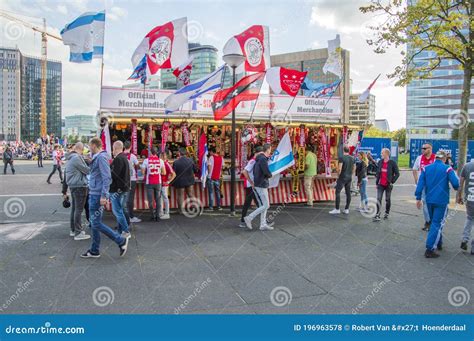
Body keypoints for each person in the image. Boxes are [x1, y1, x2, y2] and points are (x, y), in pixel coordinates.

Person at [80, 137, 129, 259]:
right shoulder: (100, 157)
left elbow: (107, 177)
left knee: (95, 223)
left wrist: (104, 195)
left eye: (90, 146)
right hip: (96, 193)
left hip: (97, 195)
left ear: (94, 146)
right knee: (95, 223)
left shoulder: (101, 157)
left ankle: (120, 241)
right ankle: (94, 250)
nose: (88, 148)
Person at [415, 151, 459, 258]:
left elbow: (420, 184)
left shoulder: (426, 168)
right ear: (444, 159)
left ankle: (438, 242)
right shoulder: (447, 168)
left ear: (435, 158)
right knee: (437, 223)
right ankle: (430, 248)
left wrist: (418, 198)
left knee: (434, 222)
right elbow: (456, 184)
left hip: (429, 200)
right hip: (441, 200)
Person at [62, 142, 90, 240]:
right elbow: (87, 170)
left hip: (73, 186)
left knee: (74, 209)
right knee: (78, 210)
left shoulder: (70, 158)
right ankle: (78, 233)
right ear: (81, 149)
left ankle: (73, 230)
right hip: (79, 186)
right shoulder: (77, 158)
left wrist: (64, 191)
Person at [243, 143, 273, 231]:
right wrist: (270, 175)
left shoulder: (258, 159)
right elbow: (266, 172)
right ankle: (249, 218)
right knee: (266, 205)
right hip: (261, 184)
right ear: (268, 150)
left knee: (263, 205)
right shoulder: (263, 159)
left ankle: (262, 224)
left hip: (258, 183)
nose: (270, 151)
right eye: (270, 150)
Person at [412, 143, 436, 231]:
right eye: (422, 148)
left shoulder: (435, 158)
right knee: (425, 202)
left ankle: (433, 220)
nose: (422, 149)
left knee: (432, 203)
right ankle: (428, 221)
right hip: (423, 185)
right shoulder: (419, 158)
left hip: (433, 185)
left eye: (424, 148)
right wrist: (416, 180)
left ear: (430, 149)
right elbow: (414, 169)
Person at [110, 141, 131, 238]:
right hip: (124, 188)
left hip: (117, 189)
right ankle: (120, 230)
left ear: (115, 148)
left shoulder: (118, 159)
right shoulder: (124, 158)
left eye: (112, 149)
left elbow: (114, 175)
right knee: (120, 210)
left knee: (118, 211)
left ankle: (126, 231)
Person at [239, 147, 263, 228]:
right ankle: (244, 220)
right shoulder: (253, 161)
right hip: (251, 186)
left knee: (258, 203)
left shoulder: (255, 160)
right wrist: (251, 182)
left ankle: (262, 222)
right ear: (258, 153)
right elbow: (244, 171)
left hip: (252, 186)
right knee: (259, 204)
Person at [373, 148, 400, 221]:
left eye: (382, 153)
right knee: (378, 199)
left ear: (387, 154)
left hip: (388, 185)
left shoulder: (392, 163)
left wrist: (392, 181)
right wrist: (376, 182)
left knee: (387, 199)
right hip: (380, 184)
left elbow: (397, 174)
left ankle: (387, 212)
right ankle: (377, 214)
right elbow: (378, 173)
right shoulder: (380, 162)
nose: (381, 154)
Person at [141, 147, 165, 221]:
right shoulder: (160, 161)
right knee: (158, 199)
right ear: (157, 152)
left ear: (150, 152)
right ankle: (158, 216)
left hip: (149, 182)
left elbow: (142, 172)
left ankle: (152, 215)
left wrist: (148, 172)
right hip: (158, 182)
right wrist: (158, 172)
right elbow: (164, 172)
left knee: (150, 200)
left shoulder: (146, 160)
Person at [172, 147, 198, 215]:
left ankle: (180, 210)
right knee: (191, 194)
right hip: (189, 180)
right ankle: (195, 208)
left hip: (180, 181)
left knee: (180, 195)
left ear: (179, 153)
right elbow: (195, 170)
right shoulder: (191, 161)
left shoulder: (176, 162)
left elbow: (173, 173)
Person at [329, 146, 354, 215]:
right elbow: (354, 168)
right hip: (349, 177)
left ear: (343, 151)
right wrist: (351, 174)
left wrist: (338, 175)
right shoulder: (352, 158)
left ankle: (337, 209)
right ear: (349, 151)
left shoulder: (342, 158)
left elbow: (339, 169)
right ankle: (347, 209)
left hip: (342, 177)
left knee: (337, 192)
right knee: (348, 193)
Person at [457, 159, 474, 255]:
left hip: (469, 198)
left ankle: (464, 239)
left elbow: (461, 183)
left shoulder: (467, 166)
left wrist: (459, 196)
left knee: (469, 218)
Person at [123, 141, 141, 223]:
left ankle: (125, 216)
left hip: (123, 179)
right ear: (130, 147)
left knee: (124, 198)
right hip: (132, 179)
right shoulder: (133, 156)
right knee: (130, 198)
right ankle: (131, 216)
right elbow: (138, 166)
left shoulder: (120, 155)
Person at [160, 150, 175, 219]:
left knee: (165, 198)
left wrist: (168, 181)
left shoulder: (166, 164)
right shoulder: (162, 163)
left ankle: (167, 213)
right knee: (160, 198)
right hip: (160, 183)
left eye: (161, 156)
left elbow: (174, 174)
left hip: (164, 184)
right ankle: (161, 212)